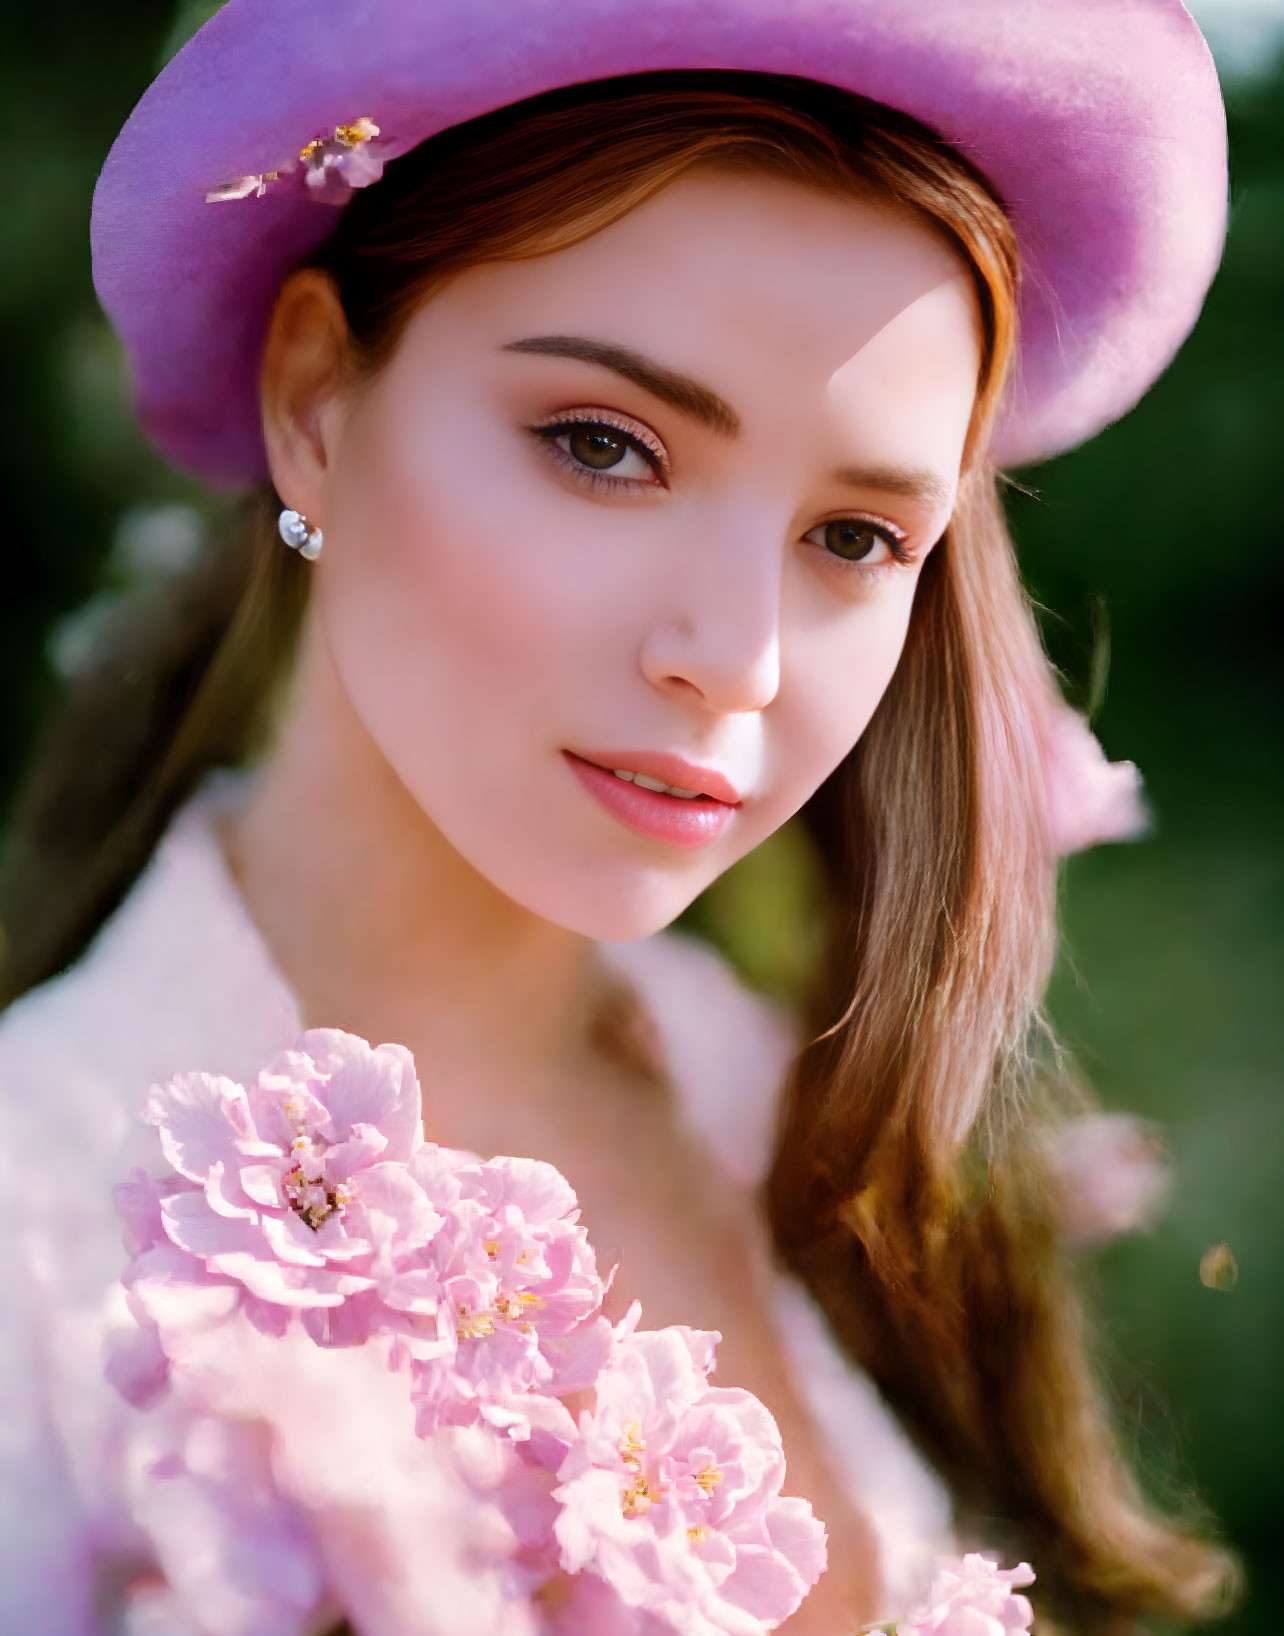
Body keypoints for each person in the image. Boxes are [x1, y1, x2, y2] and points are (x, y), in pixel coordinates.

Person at [0, 1, 1236, 1631]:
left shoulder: (777, 1112)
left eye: (858, 538)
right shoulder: (41, 1247)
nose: (735, 658)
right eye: (605, 446)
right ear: (317, 402)